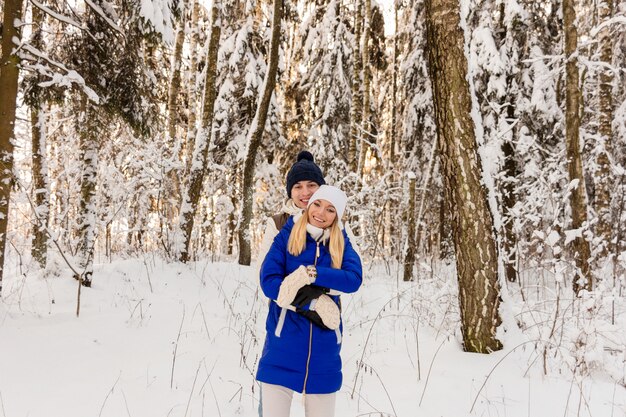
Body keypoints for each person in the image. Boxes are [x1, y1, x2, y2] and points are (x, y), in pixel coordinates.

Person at [257, 185, 363, 417]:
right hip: (281, 347)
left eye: (330, 209)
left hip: (324, 354)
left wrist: (312, 274)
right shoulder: (286, 234)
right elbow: (269, 281)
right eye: (317, 204)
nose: (321, 213)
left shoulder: (341, 241)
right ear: (308, 205)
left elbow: (353, 279)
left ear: (337, 216)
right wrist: (311, 302)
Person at [256, 150, 326, 270]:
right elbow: (263, 272)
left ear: (321, 188)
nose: (305, 192)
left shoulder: (338, 223)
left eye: (311, 185)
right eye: (298, 187)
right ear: (290, 192)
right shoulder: (277, 224)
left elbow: (354, 273)